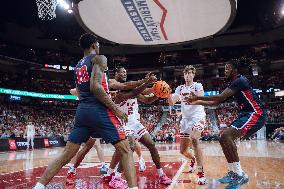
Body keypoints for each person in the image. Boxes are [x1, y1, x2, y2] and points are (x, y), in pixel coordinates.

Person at [34, 33, 138, 189]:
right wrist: (115, 108)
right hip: (99, 110)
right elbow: (95, 87)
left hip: (82, 112)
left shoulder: (78, 65)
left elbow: (78, 91)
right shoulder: (99, 58)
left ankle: (39, 186)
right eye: (98, 44)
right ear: (94, 45)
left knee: (65, 155)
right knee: (126, 150)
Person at [186, 60, 267, 188]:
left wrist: (197, 97)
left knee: (227, 136)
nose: (225, 71)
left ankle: (240, 175)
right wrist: (196, 102)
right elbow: (215, 104)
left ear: (235, 70)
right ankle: (234, 172)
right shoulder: (233, 84)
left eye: (227, 68)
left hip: (255, 113)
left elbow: (219, 97)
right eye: (225, 68)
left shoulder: (240, 81)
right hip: (245, 114)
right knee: (223, 138)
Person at [105, 67, 172, 188]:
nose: (125, 73)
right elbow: (132, 91)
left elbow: (147, 99)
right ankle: (116, 177)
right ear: (116, 74)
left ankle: (161, 174)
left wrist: (160, 94)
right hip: (123, 123)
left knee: (151, 144)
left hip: (135, 123)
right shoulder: (118, 94)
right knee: (128, 148)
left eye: (126, 72)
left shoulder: (133, 91)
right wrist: (147, 83)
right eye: (122, 72)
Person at [167, 65, 207, 185]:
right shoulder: (180, 88)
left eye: (190, 73)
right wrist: (167, 93)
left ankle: (201, 174)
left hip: (197, 116)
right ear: (183, 75)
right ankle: (193, 159)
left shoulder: (197, 86)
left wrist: (193, 98)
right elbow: (171, 102)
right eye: (186, 73)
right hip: (185, 119)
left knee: (194, 139)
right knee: (183, 151)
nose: (188, 75)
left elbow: (201, 97)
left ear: (193, 75)